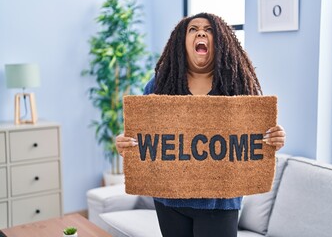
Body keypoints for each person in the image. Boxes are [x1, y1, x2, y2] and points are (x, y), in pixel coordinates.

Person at [116, 12, 286, 237]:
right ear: (181, 41)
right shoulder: (161, 83)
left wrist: (274, 138)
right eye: (193, 29)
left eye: (209, 29)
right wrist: (125, 144)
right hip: (169, 201)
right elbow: (142, 134)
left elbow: (255, 136)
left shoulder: (237, 84)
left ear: (221, 40)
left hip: (220, 203)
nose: (201, 33)